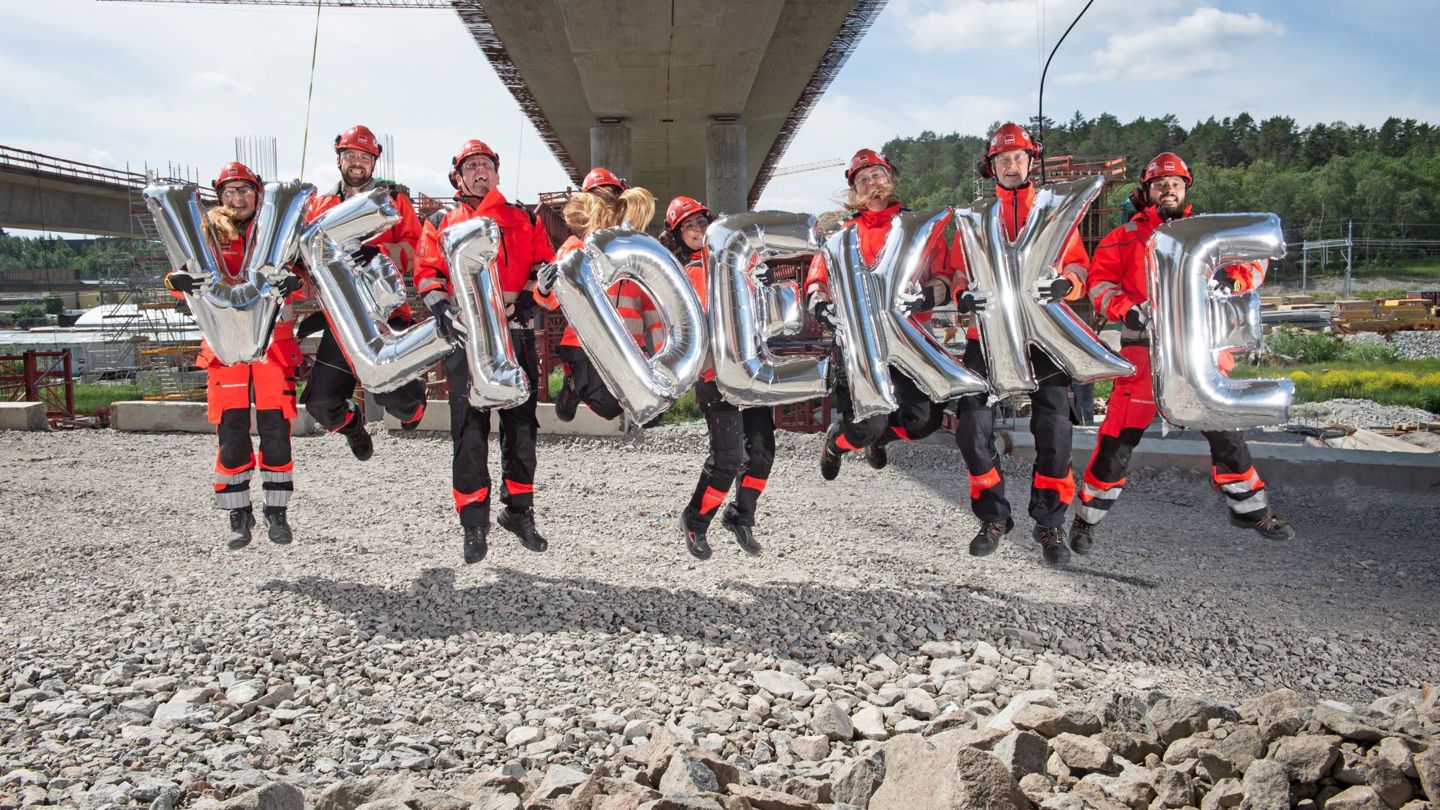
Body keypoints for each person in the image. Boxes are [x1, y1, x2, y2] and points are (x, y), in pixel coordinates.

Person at [1073, 152, 1295, 550]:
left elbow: (1257, 260)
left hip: (1199, 358)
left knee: (1227, 436)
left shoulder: (1206, 234)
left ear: (1186, 188)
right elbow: (1100, 285)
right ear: (1146, 191)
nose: (1169, 189)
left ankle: (1251, 511)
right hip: (1144, 359)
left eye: (1176, 183)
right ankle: (1086, 520)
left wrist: (1232, 278)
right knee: (1116, 443)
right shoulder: (1123, 238)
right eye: (1160, 184)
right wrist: (1129, 310)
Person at [951, 123, 1090, 565]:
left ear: (1031, 162)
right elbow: (957, 274)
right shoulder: (976, 221)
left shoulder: (1053, 216)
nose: (1010, 166)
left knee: (1055, 431)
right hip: (986, 335)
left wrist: (1066, 286)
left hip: (1044, 334)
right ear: (991, 168)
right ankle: (993, 517)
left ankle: (1050, 526)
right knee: (971, 429)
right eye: (1002, 160)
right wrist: (962, 295)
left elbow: (1079, 268)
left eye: (1017, 158)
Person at [414, 139, 556, 564]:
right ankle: (474, 524)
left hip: (515, 336)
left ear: (496, 172)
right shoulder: (441, 221)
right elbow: (426, 273)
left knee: (522, 430)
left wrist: (529, 300)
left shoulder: (522, 217)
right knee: (470, 434)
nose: (480, 172)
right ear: (458, 176)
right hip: (467, 343)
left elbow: (544, 268)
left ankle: (519, 512)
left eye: (486, 165)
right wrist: (441, 305)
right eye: (471, 166)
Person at [164, 162, 305, 548]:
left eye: (244, 190)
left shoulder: (276, 232)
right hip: (224, 351)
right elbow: (182, 274)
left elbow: (302, 277)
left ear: (258, 194)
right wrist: (178, 284)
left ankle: (277, 512)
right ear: (219, 196)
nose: (237, 198)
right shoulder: (206, 233)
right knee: (231, 435)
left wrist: (296, 282)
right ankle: (238, 514)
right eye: (229, 191)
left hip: (272, 350)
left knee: (277, 433)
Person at [805, 149, 954, 480]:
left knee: (922, 421)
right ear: (855, 192)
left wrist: (929, 295)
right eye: (862, 179)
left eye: (876, 175)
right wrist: (821, 305)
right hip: (861, 346)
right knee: (865, 424)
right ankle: (836, 444)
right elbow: (818, 280)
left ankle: (879, 439)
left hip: (911, 341)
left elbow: (945, 274)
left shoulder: (918, 228)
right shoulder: (843, 236)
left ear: (890, 179)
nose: (870, 182)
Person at [300, 124, 428, 461]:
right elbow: (304, 258)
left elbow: (416, 248)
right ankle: (352, 426)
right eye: (351, 155)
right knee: (320, 403)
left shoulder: (394, 200)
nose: (357, 162)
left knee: (398, 396)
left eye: (364, 157)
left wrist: (376, 253)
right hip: (343, 319)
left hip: (386, 313)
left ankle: (412, 407)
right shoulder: (319, 205)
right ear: (339, 158)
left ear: (375, 161)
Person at [661, 196, 772, 559]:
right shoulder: (677, 273)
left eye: (700, 222)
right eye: (687, 226)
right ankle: (695, 521)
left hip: (750, 368)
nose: (696, 230)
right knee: (726, 458)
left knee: (761, 455)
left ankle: (741, 516)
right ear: (678, 234)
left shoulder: (733, 263)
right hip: (714, 375)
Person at [534, 167, 661, 423]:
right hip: (584, 345)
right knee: (606, 406)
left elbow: (651, 309)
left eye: (610, 197)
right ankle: (573, 384)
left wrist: (660, 355)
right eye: (598, 198)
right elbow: (550, 300)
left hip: (628, 346)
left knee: (651, 412)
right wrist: (544, 288)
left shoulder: (633, 255)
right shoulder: (574, 248)